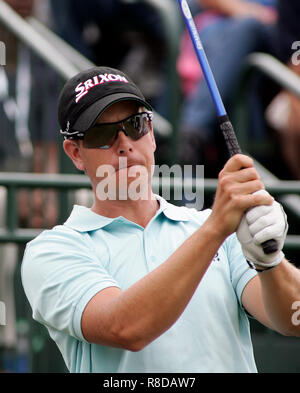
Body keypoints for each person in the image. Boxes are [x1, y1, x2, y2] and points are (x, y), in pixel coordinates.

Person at [21, 66, 300, 373]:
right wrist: (216, 229)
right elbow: (126, 327)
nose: (125, 143)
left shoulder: (215, 230)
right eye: (102, 133)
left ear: (151, 134)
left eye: (136, 124)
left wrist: (270, 261)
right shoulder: (52, 250)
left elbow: (292, 320)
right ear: (75, 153)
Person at [178, 0, 277, 170]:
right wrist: (241, 9)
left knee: (245, 29)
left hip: (274, 41)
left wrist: (251, 14)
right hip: (223, 42)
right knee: (236, 78)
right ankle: (192, 135)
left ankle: (193, 129)